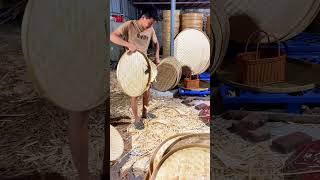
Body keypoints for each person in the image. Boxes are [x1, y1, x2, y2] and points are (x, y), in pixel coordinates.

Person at [110, 6, 160, 130]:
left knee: (147, 89)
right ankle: (136, 118)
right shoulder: (129, 25)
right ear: (143, 17)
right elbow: (112, 36)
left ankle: (145, 113)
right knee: (134, 92)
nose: (150, 26)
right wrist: (127, 44)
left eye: (152, 24)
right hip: (130, 64)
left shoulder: (151, 30)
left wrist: (157, 56)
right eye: (150, 23)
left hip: (144, 63)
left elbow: (156, 43)